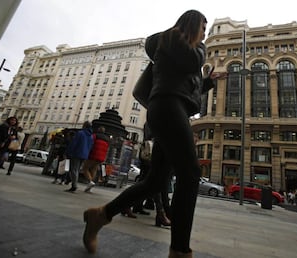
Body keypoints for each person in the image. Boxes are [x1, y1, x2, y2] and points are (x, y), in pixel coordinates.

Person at [82, 10, 221, 257]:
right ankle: (179, 250)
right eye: (203, 28)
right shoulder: (172, 39)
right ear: (191, 24)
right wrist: (202, 49)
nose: (204, 35)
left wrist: (207, 82)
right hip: (168, 107)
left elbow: (185, 83)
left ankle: (100, 215)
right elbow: (190, 64)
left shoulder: (181, 48)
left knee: (156, 181)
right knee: (190, 174)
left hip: (172, 109)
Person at [65, 121, 93, 193]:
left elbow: (74, 143)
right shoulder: (90, 136)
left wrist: (68, 152)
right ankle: (73, 184)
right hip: (84, 155)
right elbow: (90, 146)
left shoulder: (80, 133)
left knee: (74, 169)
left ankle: (74, 185)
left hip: (76, 153)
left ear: (84, 126)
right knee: (76, 169)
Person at [83, 126, 110, 193]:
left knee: (85, 168)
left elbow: (90, 144)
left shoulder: (95, 136)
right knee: (94, 169)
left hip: (93, 155)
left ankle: (90, 181)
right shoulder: (107, 139)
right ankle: (89, 187)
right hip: (101, 157)